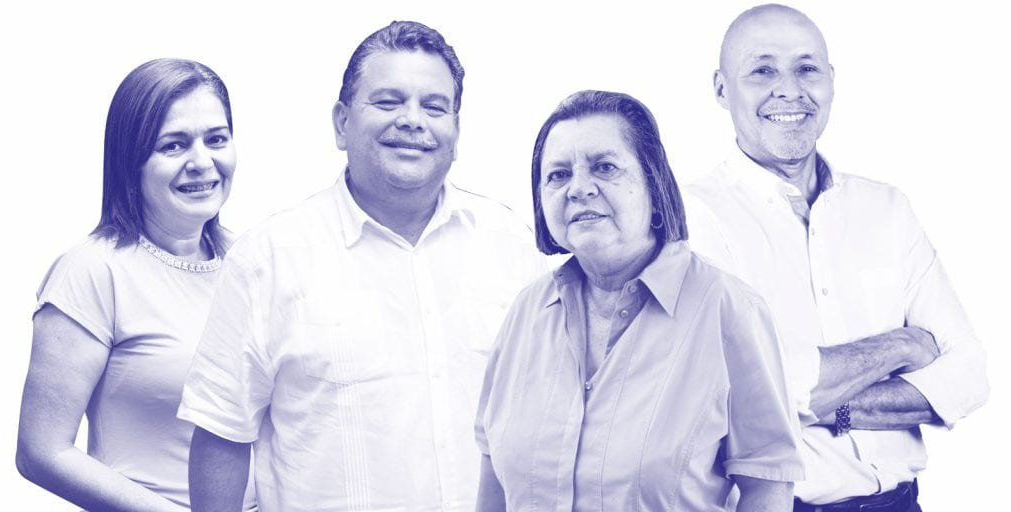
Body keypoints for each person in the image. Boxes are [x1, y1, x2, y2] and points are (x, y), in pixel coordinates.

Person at [178, 20, 546, 511]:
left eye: (434, 107)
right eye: (388, 102)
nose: (412, 120)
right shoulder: (267, 260)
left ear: (456, 133)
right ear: (341, 123)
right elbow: (222, 435)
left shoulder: (512, 247)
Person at [683, 4, 989, 511]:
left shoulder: (887, 207)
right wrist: (902, 345)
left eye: (807, 68)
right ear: (720, 89)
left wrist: (822, 404)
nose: (789, 89)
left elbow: (970, 377)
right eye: (762, 71)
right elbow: (737, 393)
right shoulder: (691, 220)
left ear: (831, 80)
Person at [475, 90, 802, 512]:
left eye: (605, 167)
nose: (578, 189)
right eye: (557, 175)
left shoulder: (730, 312)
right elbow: (493, 482)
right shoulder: (525, 312)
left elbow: (767, 487)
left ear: (653, 181)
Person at [15, 58, 256, 511]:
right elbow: (41, 452)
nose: (202, 162)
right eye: (173, 145)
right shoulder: (93, 271)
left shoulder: (252, 261)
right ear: (132, 160)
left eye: (216, 139)